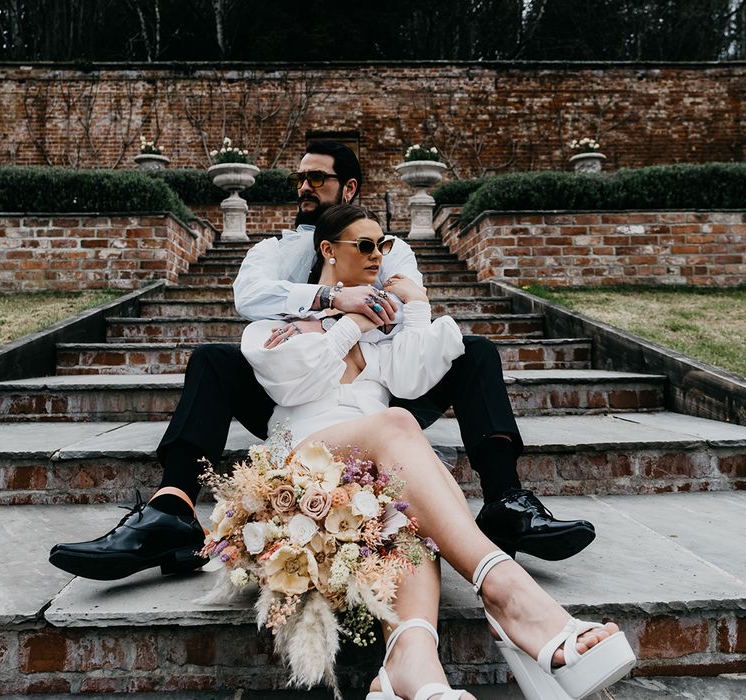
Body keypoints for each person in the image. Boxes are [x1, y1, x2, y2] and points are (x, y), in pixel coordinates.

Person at [49, 140, 594, 582]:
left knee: (474, 352)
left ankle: (505, 500)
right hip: (294, 387)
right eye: (301, 179)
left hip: (382, 383)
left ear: (349, 186)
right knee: (212, 361)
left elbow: (409, 303)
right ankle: (171, 510)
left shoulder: (390, 247)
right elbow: (250, 297)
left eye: (318, 179)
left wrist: (389, 305)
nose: (304, 187)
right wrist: (333, 300)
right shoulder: (274, 248)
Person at [239, 204, 635, 700]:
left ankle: (412, 664)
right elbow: (296, 383)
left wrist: (417, 304)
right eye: (365, 245)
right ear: (328, 250)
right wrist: (351, 321)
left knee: (407, 515)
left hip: (366, 475)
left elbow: (415, 375)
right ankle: (508, 595)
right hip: (301, 469)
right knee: (399, 425)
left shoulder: (383, 332)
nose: (377, 256)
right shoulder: (277, 325)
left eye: (383, 246)